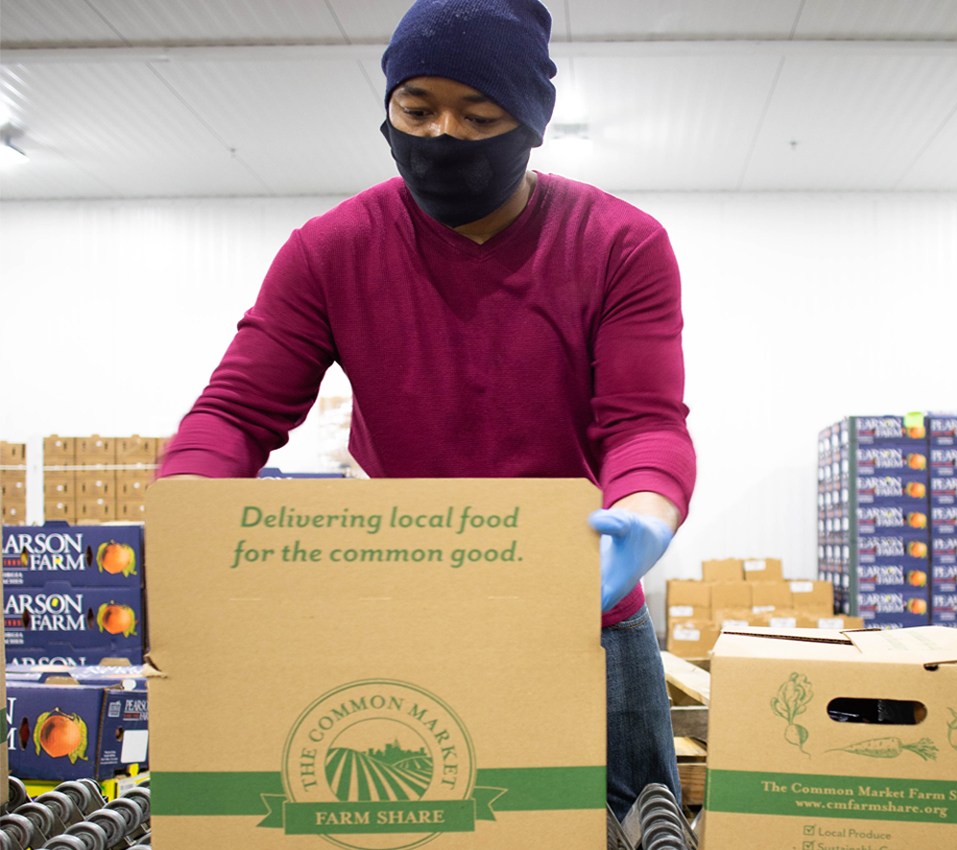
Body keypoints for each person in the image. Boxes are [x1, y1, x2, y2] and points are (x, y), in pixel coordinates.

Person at [159, 0, 695, 819]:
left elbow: (645, 420)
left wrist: (647, 508)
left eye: (479, 115)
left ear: (530, 124)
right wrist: (185, 516)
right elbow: (235, 413)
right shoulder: (332, 251)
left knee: (626, 822)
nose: (442, 135)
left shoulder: (618, 244)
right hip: (405, 601)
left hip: (580, 605)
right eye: (416, 109)